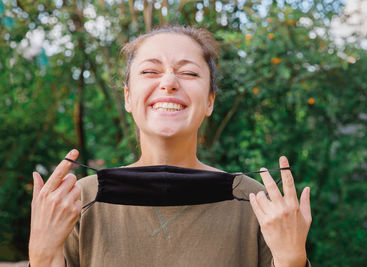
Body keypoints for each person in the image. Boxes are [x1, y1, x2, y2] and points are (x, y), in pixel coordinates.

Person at [29, 26, 312, 267]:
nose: (168, 82)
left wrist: (292, 258)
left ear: (210, 101)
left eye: (188, 73)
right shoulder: (75, 202)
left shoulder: (258, 204)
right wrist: (42, 255)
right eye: (150, 71)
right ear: (128, 98)